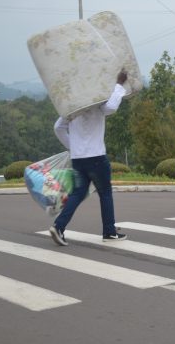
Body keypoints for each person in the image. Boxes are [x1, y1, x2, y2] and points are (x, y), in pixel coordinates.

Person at [48, 69, 129, 246]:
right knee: (105, 193)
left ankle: (58, 226)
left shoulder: (72, 108)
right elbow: (112, 107)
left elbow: (58, 127)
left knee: (78, 193)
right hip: (96, 158)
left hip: (78, 160)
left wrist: (73, 147)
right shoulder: (97, 103)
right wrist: (119, 84)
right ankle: (109, 232)